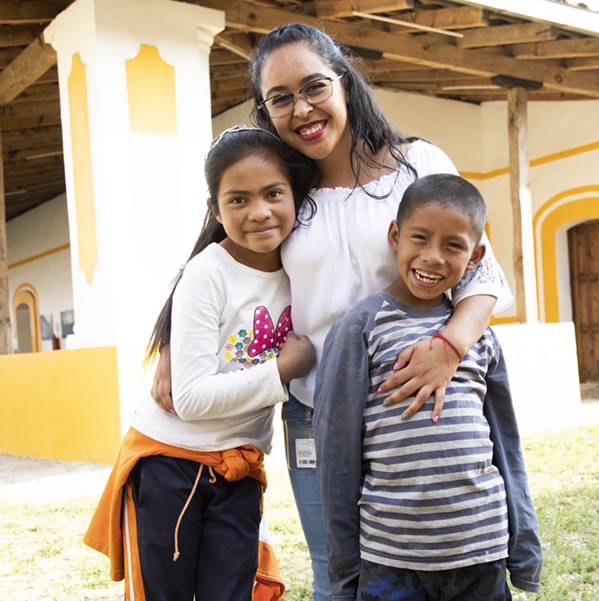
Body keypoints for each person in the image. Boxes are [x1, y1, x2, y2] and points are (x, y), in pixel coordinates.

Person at [151, 23, 514, 601]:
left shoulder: (417, 164)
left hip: (419, 410)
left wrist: (451, 346)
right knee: (337, 580)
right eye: (281, 98)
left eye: (313, 86)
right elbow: (225, 261)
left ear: (344, 83)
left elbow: (482, 269)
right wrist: (174, 341)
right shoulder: (284, 187)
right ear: (267, 111)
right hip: (317, 417)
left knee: (448, 571)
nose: (302, 109)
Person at [83, 125, 319, 601]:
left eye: (274, 193)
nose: (259, 212)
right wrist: (281, 371)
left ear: (296, 194)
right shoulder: (208, 272)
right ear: (214, 209)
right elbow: (189, 399)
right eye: (237, 200)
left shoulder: (303, 261)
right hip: (171, 462)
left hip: (239, 469)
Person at [314, 173, 543, 601]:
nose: (433, 257)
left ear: (475, 257)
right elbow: (337, 457)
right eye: (419, 238)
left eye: (453, 246)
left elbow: (506, 447)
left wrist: (523, 545)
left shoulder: (479, 338)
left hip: (481, 550)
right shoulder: (361, 329)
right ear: (395, 236)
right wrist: (344, 576)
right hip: (392, 556)